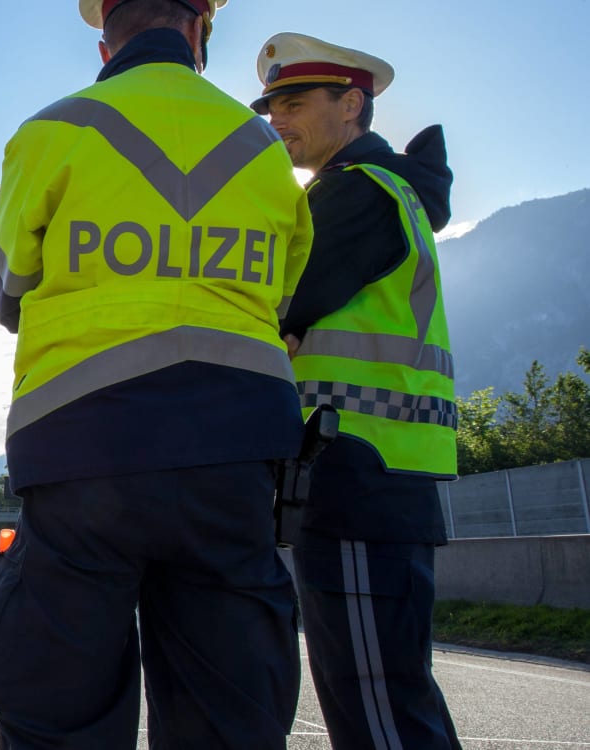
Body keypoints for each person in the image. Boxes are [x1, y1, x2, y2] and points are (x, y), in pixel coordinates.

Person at [0, 1, 314, 747]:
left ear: (106, 42)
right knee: (229, 716)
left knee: (59, 707)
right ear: (200, 31)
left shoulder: (51, 131)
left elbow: (12, 291)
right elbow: (279, 298)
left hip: (83, 447)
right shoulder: (262, 148)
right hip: (235, 456)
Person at [251, 32, 462, 749]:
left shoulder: (356, 195)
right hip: (369, 474)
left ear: (352, 103)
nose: (276, 119)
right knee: (384, 702)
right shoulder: (378, 194)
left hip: (356, 473)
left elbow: (270, 310)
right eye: (270, 106)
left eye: (294, 102)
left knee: (379, 714)